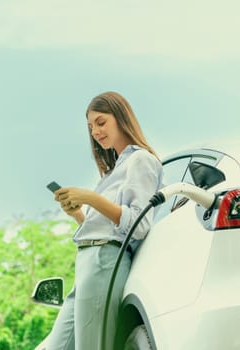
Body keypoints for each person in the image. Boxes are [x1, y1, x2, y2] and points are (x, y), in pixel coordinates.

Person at [47, 91, 163, 350]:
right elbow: (105, 225)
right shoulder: (114, 171)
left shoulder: (141, 160)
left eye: (101, 122)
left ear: (121, 118)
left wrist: (89, 197)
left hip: (105, 261)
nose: (96, 132)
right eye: (90, 127)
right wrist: (78, 214)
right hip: (87, 260)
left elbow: (138, 224)